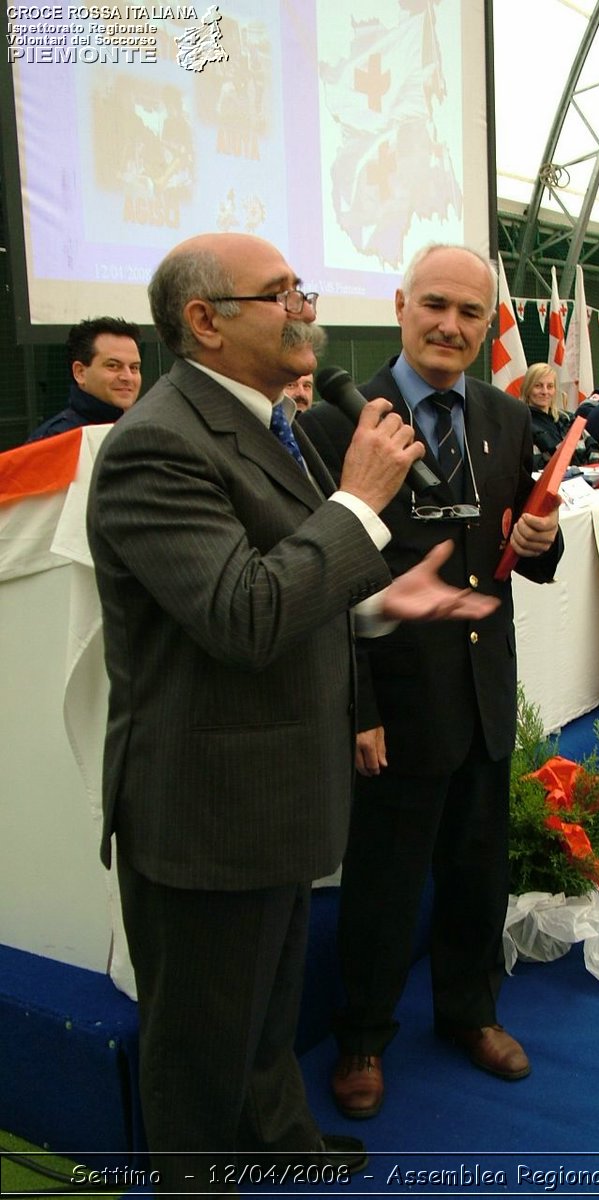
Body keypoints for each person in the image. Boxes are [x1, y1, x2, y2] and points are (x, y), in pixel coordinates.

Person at [85, 232, 499, 1194]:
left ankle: (279, 1141)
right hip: (206, 811)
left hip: (274, 792)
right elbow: (244, 615)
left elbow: (285, 579)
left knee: (266, 1014)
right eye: (281, 293)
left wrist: (378, 602)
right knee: (199, 1049)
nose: (305, 306)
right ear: (206, 321)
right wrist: (359, 505)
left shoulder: (264, 421)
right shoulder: (157, 443)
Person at [300, 243, 563, 1122]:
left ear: (488, 326)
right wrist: (360, 705)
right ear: (402, 305)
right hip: (394, 701)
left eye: (472, 314)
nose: (452, 326)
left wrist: (539, 543)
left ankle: (470, 1014)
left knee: (477, 871)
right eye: (437, 306)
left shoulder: (502, 412)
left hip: (484, 688)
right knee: (383, 883)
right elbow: (324, 575)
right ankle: (365, 1038)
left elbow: (523, 530)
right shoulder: (338, 423)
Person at [26, 317, 142, 443]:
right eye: (113, 366)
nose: (127, 377)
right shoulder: (53, 440)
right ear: (80, 372)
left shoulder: (145, 430)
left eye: (134, 367)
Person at [521, 360, 594, 471]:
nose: (545, 392)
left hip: (584, 482)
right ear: (527, 389)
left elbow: (593, 448)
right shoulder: (522, 423)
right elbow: (531, 464)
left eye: (550, 386)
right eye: (538, 386)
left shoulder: (568, 419)